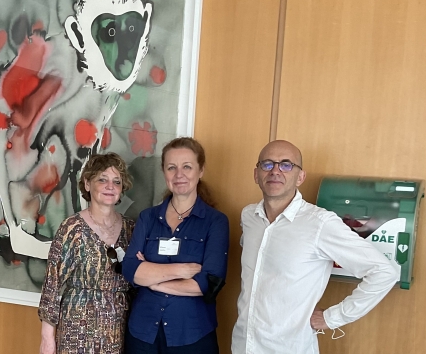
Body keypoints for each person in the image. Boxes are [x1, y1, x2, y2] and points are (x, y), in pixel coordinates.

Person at [231, 140, 400, 354]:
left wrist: (332, 318)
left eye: (286, 165)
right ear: (256, 174)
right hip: (242, 344)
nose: (275, 171)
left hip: (289, 348)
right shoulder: (249, 216)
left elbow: (384, 272)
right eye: (267, 164)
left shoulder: (320, 223)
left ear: (300, 177)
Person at [122, 137, 230, 354]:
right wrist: (180, 270)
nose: (179, 174)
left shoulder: (216, 222)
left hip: (192, 334)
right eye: (172, 167)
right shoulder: (148, 218)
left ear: (200, 171)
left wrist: (153, 282)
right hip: (143, 333)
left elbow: (207, 283)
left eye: (187, 167)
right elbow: (130, 269)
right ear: (164, 172)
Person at [38, 153, 135, 354]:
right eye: (102, 179)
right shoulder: (72, 228)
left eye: (116, 181)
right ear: (88, 184)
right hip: (77, 327)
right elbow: (52, 286)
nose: (110, 186)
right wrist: (47, 339)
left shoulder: (131, 228)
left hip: (118, 328)